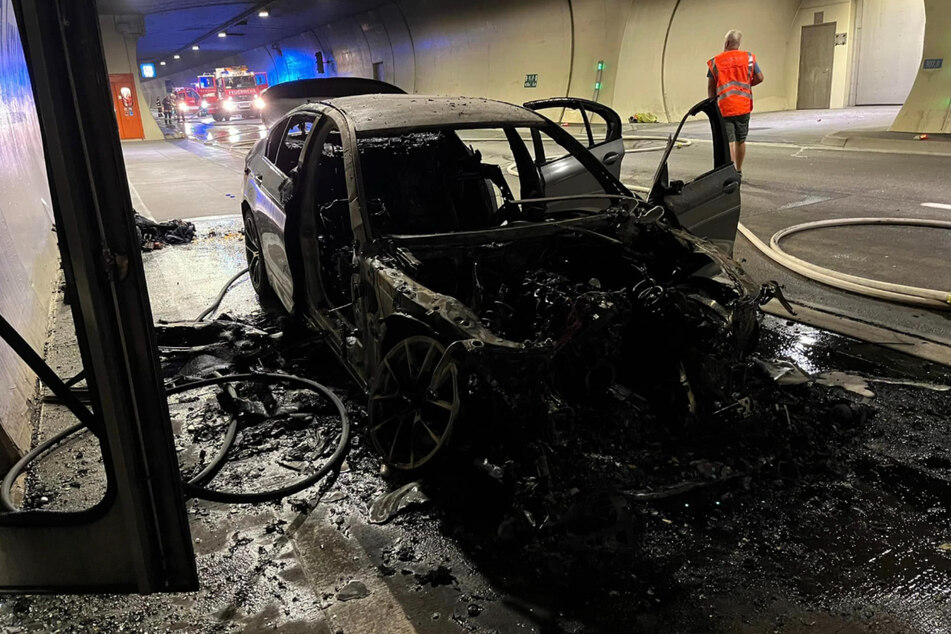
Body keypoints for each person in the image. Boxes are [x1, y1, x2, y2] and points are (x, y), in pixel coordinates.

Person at [707, 30, 763, 175]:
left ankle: (730, 172)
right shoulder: (749, 58)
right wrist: (746, 84)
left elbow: (710, 88)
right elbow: (760, 77)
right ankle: (738, 170)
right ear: (738, 44)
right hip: (743, 106)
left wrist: (712, 107)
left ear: (726, 43)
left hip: (725, 108)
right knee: (740, 140)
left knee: (729, 142)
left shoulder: (716, 61)